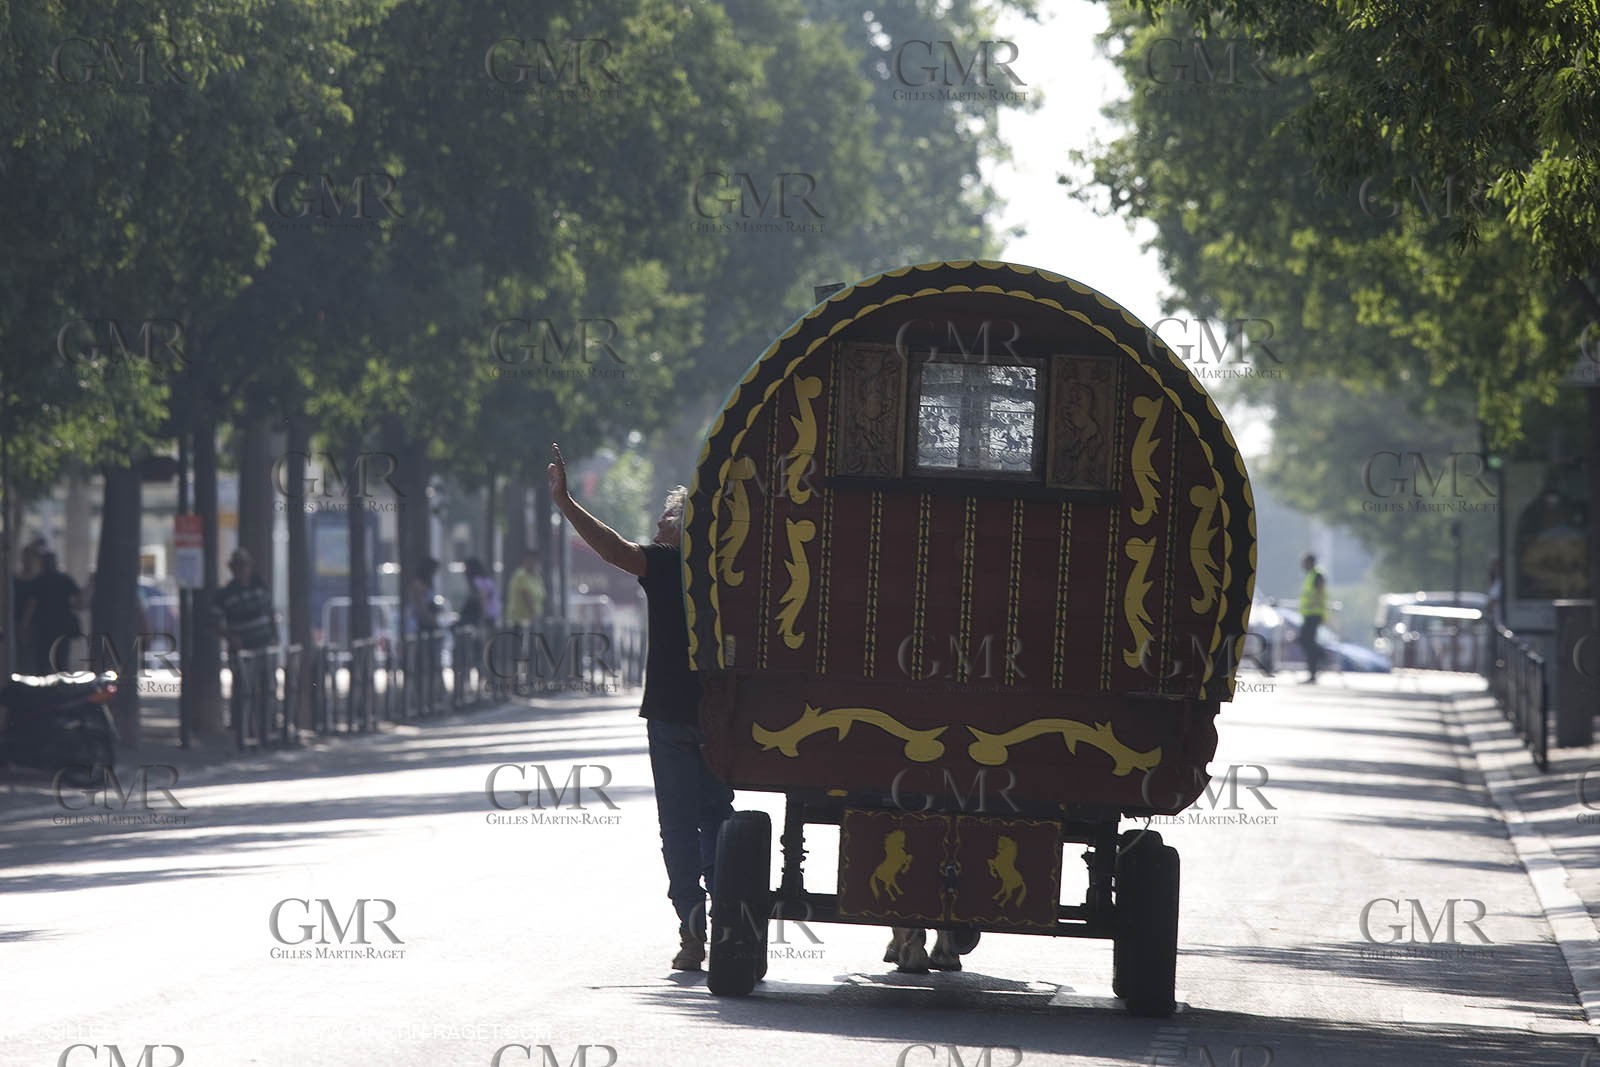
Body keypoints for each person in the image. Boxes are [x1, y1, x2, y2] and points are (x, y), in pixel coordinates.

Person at [548, 442, 733, 972]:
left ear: (686, 528)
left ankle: (692, 926)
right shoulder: (728, 572)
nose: (657, 523)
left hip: (671, 717)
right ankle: (728, 916)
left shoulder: (668, 564)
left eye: (667, 517)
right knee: (717, 816)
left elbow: (612, 549)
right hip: (721, 716)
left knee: (677, 825)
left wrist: (565, 502)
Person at [214, 548, 276, 656]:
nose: (241, 569)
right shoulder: (226, 594)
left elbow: (270, 612)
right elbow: (213, 622)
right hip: (241, 651)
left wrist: (275, 635)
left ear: (250, 566)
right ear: (232, 568)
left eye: (244, 565)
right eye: (237, 566)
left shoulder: (260, 586)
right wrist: (231, 637)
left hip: (264, 647)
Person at [28, 550, 82, 675]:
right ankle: (62, 685)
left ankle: (44, 685)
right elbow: (79, 598)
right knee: (62, 663)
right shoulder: (65, 579)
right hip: (61, 627)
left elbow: (31, 605)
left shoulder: (38, 581)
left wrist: (25, 625)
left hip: (43, 628)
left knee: (42, 664)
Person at [1298, 552, 1327, 683]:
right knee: (1306, 641)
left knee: (1307, 641)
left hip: (1314, 614)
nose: (1302, 565)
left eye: (1304, 562)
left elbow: (1319, 593)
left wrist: (1314, 605)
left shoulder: (1317, 575)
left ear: (1310, 562)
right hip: (1309, 614)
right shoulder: (1311, 575)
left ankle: (1317, 663)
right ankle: (1320, 656)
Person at [506, 548, 546, 630]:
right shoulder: (521, 575)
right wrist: (534, 613)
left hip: (531, 620)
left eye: (535, 561)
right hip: (520, 621)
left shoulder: (536, 576)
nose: (533, 564)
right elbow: (526, 595)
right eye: (530, 561)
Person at [460, 557, 499, 628]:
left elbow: (483, 598)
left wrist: (483, 616)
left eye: (465, 567)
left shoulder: (477, 580)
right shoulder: (485, 579)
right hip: (492, 611)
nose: (464, 570)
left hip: (487, 613)